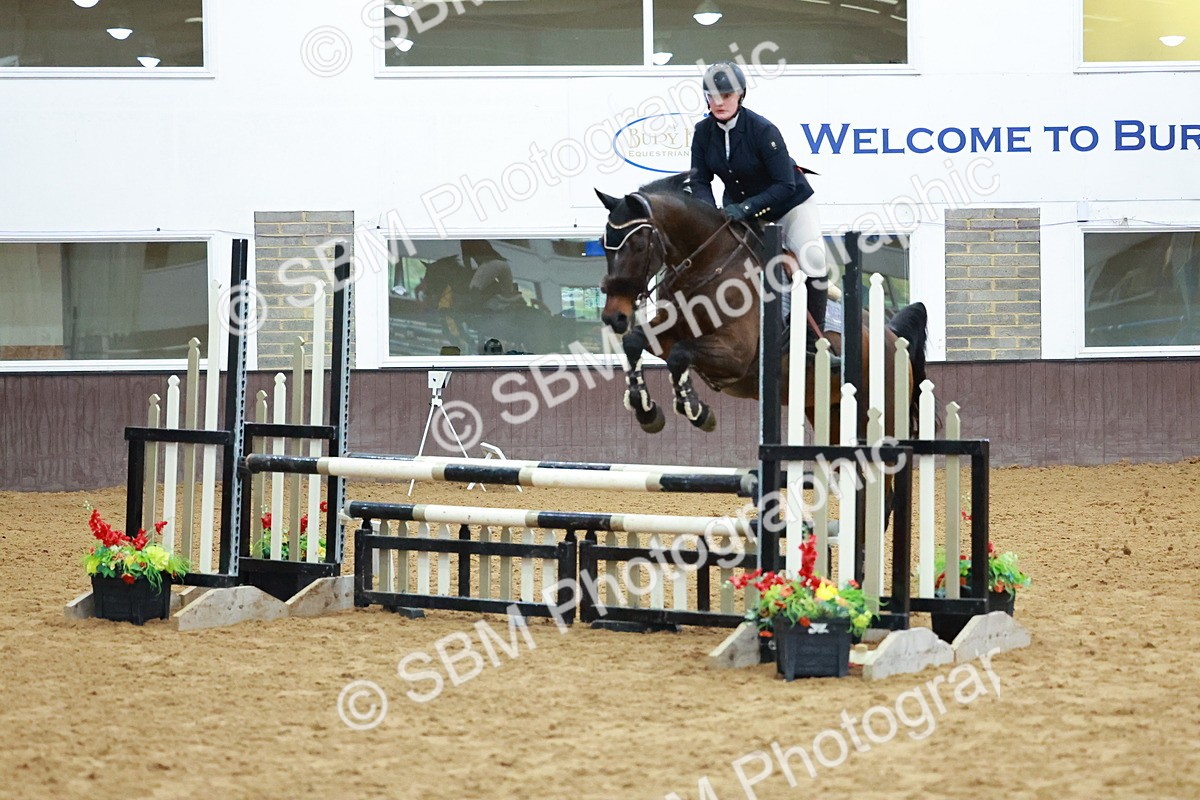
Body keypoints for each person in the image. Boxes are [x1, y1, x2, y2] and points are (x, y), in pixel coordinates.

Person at [688, 61, 829, 349]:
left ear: (740, 95)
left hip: (789, 205)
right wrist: (708, 213)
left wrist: (746, 209)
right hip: (742, 210)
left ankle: (815, 341)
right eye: (712, 96)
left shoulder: (763, 130)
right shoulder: (703, 132)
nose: (718, 102)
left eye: (725, 96)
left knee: (814, 258)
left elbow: (785, 184)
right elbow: (700, 180)